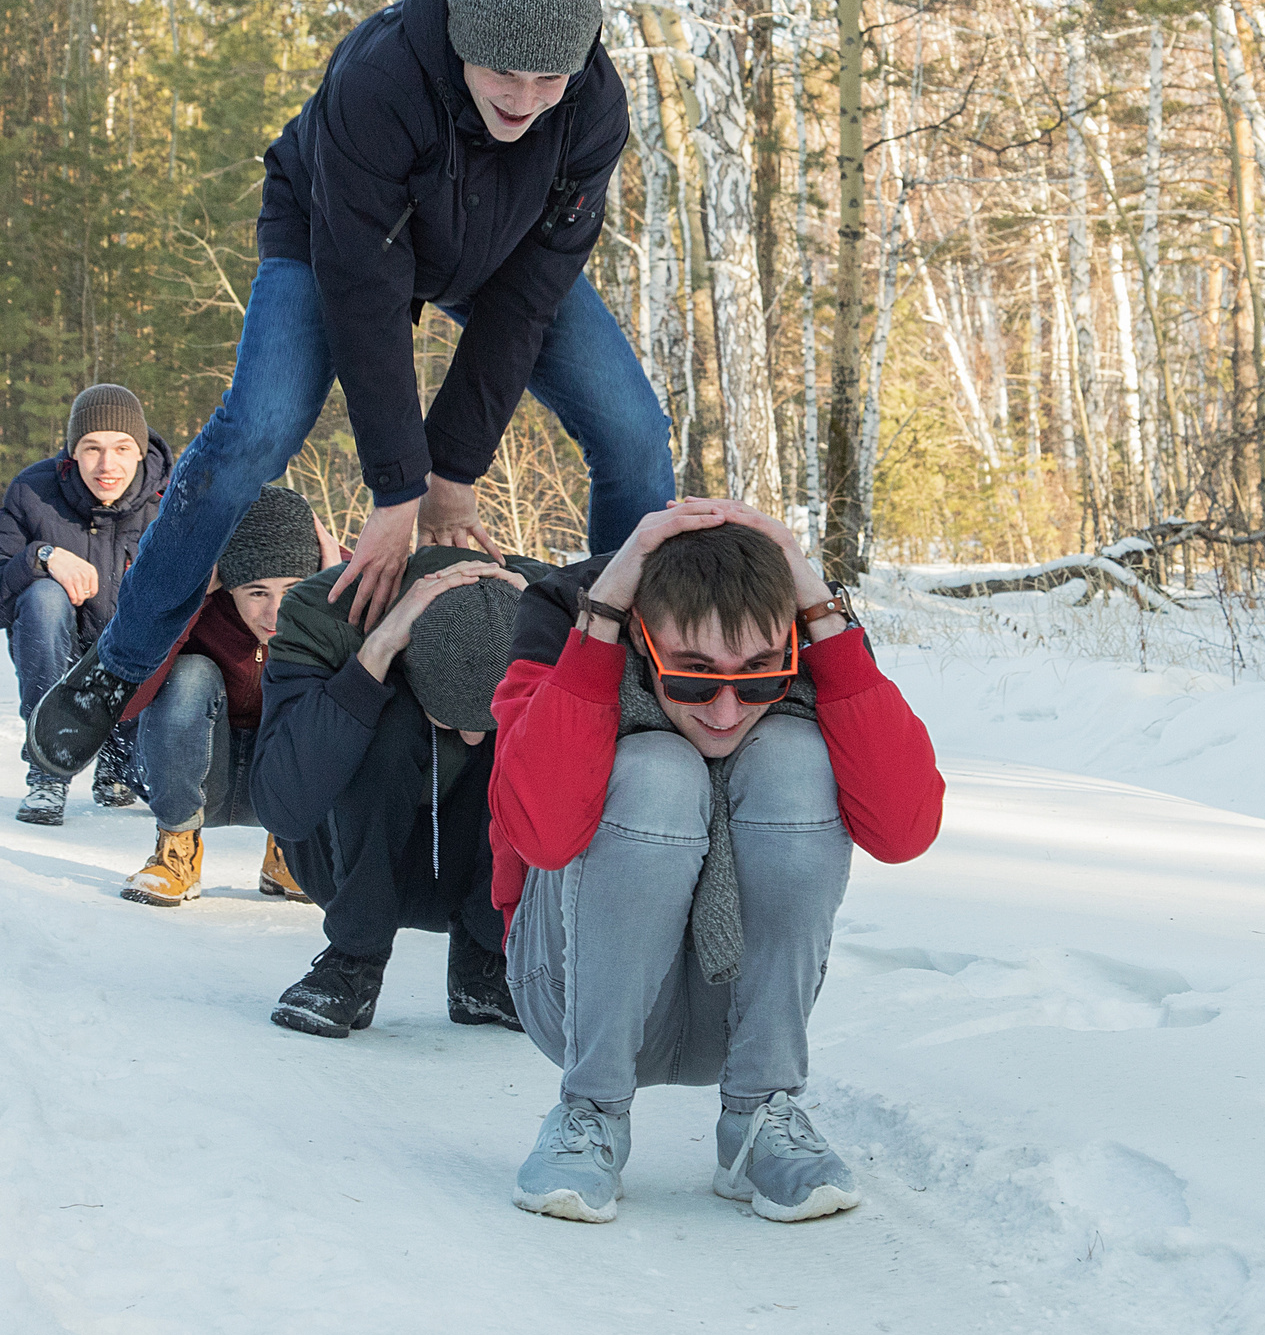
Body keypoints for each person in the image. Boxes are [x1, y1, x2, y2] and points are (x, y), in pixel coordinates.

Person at [22, 0, 675, 786]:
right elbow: (366, 296)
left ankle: (621, 672)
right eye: (501, 75)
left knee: (634, 432)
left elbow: (526, 300)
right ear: (457, 39)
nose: (523, 100)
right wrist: (400, 486)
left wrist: (455, 469)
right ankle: (120, 659)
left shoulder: (594, 108)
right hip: (336, 236)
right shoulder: (379, 80)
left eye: (546, 79)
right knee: (257, 426)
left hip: (503, 254)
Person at [487, 502, 946, 1225]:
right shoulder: (571, 620)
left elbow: (903, 828)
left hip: (740, 1012)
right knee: (659, 767)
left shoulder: (801, 629)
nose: (728, 711)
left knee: (800, 756)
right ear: (645, 633)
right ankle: (590, 1113)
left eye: (760, 677)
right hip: (571, 988)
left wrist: (821, 608)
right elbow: (540, 832)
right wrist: (599, 621)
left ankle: (762, 1115)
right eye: (694, 677)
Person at [249, 549, 543, 1038]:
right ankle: (352, 960)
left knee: (535, 720)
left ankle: (486, 955)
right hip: (339, 857)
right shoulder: (322, 613)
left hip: (460, 861)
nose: (471, 737)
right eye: (455, 721)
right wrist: (376, 655)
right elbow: (283, 807)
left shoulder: (547, 607)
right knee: (386, 717)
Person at [110, 486, 340, 906]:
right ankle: (175, 853)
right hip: (195, 772)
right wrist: (190, 598)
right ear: (227, 583)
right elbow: (126, 704)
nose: (276, 614)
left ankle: (290, 853)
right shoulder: (183, 588)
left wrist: (340, 602)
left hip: (279, 787)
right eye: (257, 592)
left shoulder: (341, 578)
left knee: (326, 686)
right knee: (190, 674)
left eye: (293, 591)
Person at [0, 384, 171, 827]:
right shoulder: (34, 493)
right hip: (64, 660)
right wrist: (42, 556)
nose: (107, 465)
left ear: (141, 450)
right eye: (92, 448)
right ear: (72, 453)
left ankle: (123, 754)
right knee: (42, 596)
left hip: (142, 669)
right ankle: (48, 769)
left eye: (121, 448)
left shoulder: (175, 499)